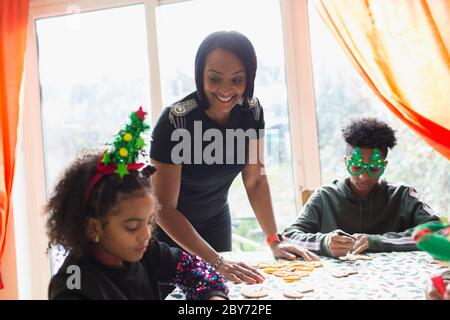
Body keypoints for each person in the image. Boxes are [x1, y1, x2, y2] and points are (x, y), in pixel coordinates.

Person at [150, 30, 319, 286]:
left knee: (221, 294)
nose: (226, 90)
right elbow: (163, 206)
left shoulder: (251, 111)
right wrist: (215, 261)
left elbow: (255, 180)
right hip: (169, 232)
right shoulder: (176, 120)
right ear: (200, 75)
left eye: (237, 80)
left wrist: (274, 239)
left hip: (216, 220)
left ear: (248, 77)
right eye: (214, 79)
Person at [46, 108, 228, 300]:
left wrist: (214, 297)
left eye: (149, 222)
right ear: (93, 227)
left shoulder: (146, 250)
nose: (146, 235)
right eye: (132, 227)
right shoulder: (72, 286)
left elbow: (195, 270)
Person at [283, 118, 440, 258]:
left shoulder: (403, 195)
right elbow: (288, 237)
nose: (364, 177)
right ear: (346, 163)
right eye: (357, 167)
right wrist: (323, 242)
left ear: (384, 166)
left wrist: (377, 242)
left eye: (373, 169)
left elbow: (440, 233)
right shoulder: (325, 196)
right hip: (336, 281)